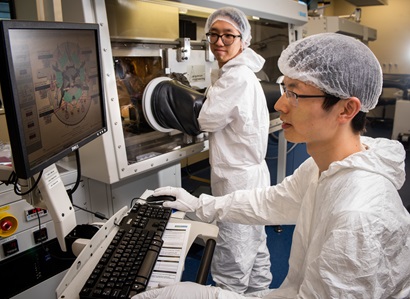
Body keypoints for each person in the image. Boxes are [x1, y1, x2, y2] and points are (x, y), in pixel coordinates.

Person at [133, 32, 410, 299]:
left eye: (295, 94)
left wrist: (212, 295)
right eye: (284, 89)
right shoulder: (325, 168)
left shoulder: (359, 217)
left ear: (346, 109)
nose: (279, 104)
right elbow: (272, 202)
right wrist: (198, 205)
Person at [193, 6, 272, 293]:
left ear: (243, 39)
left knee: (233, 254)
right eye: (213, 34)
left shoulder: (236, 77)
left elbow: (206, 119)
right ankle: (259, 294)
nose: (219, 42)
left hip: (236, 181)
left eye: (228, 35)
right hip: (251, 176)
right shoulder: (241, 73)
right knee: (256, 245)